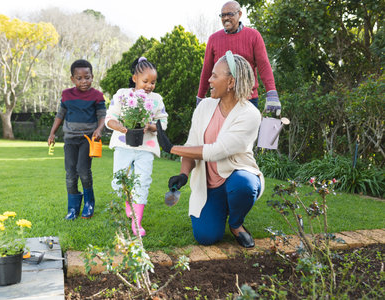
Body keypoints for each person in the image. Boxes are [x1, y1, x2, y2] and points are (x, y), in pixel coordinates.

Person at [156, 52, 264, 247]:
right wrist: (183, 174)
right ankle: (221, 208)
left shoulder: (250, 114)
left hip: (236, 176)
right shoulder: (205, 106)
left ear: (231, 81)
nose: (209, 79)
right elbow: (192, 145)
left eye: (215, 76)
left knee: (244, 186)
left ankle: (236, 224)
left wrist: (171, 148)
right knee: (206, 237)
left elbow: (217, 150)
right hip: (210, 185)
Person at [105, 57, 168, 237]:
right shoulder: (122, 95)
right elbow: (110, 117)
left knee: (143, 181)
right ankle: (128, 203)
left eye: (153, 82)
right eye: (145, 81)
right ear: (134, 78)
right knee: (120, 182)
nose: (149, 86)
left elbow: (163, 122)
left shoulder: (156, 99)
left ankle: (136, 222)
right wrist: (119, 127)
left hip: (146, 148)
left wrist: (152, 127)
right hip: (124, 145)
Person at [196, 1, 281, 116]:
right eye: (223, 15)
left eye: (230, 14)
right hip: (221, 101)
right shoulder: (213, 39)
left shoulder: (253, 36)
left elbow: (264, 66)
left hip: (247, 100)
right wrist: (200, 97)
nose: (226, 18)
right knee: (221, 134)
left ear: (239, 14)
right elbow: (207, 70)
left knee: (248, 133)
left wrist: (271, 93)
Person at [48, 59, 106, 221]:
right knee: (70, 174)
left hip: (88, 139)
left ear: (92, 76)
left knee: (83, 170)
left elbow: (102, 116)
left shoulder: (97, 96)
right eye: (79, 78)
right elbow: (60, 115)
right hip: (70, 139)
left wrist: (99, 129)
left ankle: (89, 204)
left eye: (87, 77)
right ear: (72, 79)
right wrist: (52, 133)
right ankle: (72, 208)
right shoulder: (67, 95)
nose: (83, 81)